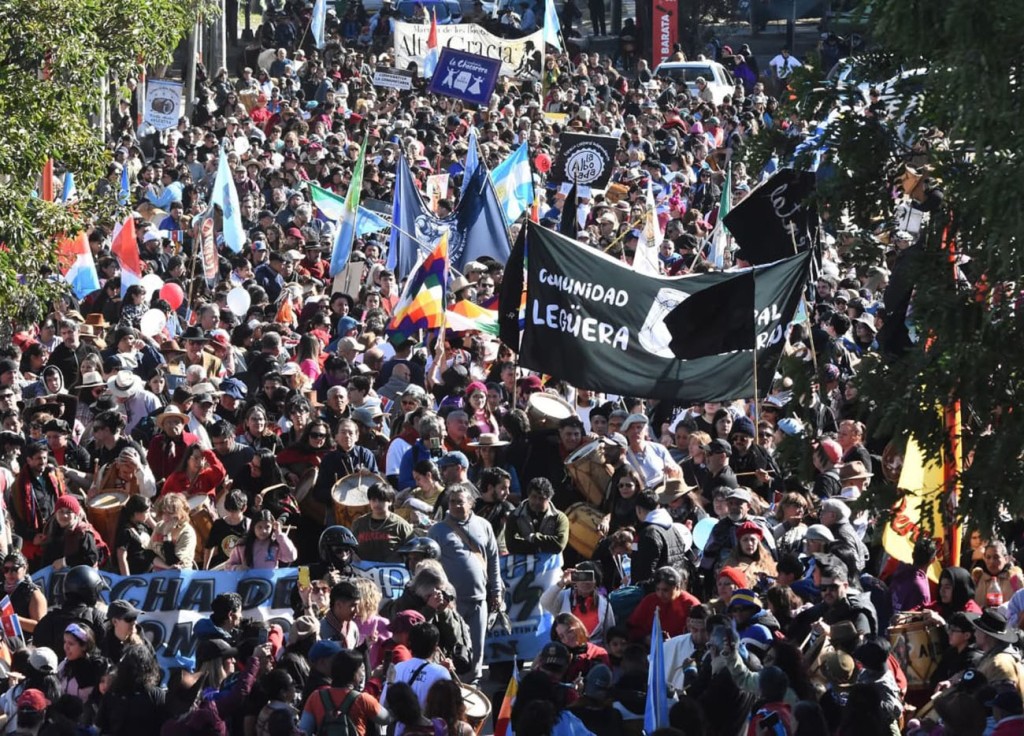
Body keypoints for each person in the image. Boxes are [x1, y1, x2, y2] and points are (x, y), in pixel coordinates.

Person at [428, 484, 502, 685]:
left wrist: (496, 591)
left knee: (476, 651)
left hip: (479, 601)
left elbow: (494, 560)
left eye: (460, 501)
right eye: (452, 502)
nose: (456, 505)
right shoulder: (437, 530)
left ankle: (473, 692)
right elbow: (429, 566)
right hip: (450, 605)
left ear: (471, 503)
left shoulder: (484, 525)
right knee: (453, 651)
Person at [299, 649, 391, 735]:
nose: (363, 673)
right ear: (354, 674)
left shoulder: (316, 697)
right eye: (361, 669)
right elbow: (387, 719)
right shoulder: (363, 700)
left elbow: (304, 730)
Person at [33, 565, 108, 656]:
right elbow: (110, 654)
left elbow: (37, 654)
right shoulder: (98, 618)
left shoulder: (48, 619)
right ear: (91, 591)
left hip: (55, 669)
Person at [382, 622, 452, 718]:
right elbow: (448, 712)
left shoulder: (398, 668)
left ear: (409, 643)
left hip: (398, 729)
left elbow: (383, 703)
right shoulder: (441, 673)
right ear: (435, 647)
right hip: (427, 730)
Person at [540, 561, 616, 645]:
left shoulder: (604, 603)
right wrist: (562, 583)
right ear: (575, 580)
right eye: (582, 577)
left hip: (594, 652)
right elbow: (544, 602)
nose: (586, 582)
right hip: (568, 649)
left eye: (590, 577)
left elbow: (609, 633)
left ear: (596, 581)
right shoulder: (564, 597)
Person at [627, 566, 701, 642]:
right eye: (657, 589)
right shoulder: (650, 600)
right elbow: (633, 627)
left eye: (665, 590)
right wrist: (646, 638)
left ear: (677, 587)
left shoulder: (691, 604)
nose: (660, 594)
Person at [351, 481, 415, 562]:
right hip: (362, 571)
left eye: (381, 500)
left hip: (391, 572)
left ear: (390, 501)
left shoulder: (402, 526)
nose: (377, 504)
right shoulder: (359, 523)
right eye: (373, 500)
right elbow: (350, 548)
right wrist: (352, 555)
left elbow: (412, 552)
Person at [505, 477, 570, 555]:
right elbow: (512, 546)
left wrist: (532, 538)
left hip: (550, 566)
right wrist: (541, 546)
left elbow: (559, 545)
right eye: (534, 497)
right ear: (528, 495)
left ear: (549, 499)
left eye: (542, 498)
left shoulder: (559, 518)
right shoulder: (515, 516)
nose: (537, 502)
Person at [225, 509, 297, 570]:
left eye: (267, 527)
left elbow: (291, 557)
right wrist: (237, 568)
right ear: (253, 527)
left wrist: (279, 534)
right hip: (249, 582)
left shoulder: (275, 543)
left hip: (269, 583)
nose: (264, 531)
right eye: (259, 527)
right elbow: (228, 566)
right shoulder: (243, 544)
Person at [57, 623, 108, 702]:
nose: (66, 647)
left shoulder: (97, 668)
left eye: (71, 644)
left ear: (84, 646)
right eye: (65, 642)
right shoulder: (64, 665)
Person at [149, 492, 197, 570]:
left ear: (180, 513)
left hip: (179, 575)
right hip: (159, 573)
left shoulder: (187, 532)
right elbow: (150, 553)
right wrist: (166, 567)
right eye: (164, 513)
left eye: (170, 514)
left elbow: (173, 562)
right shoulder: (160, 526)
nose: (166, 517)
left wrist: (167, 535)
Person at [1, 551, 46, 634]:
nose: (10, 573)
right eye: (6, 569)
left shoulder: (33, 593)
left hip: (24, 643)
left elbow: (40, 627)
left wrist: (13, 619)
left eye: (14, 569)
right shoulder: (1, 588)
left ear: (24, 568)